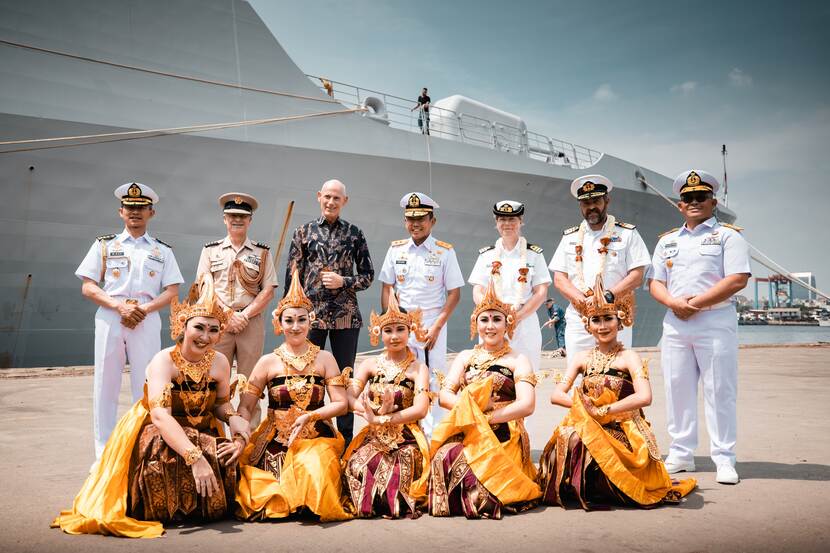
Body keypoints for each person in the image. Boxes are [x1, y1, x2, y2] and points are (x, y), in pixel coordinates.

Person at [53, 276, 248, 538]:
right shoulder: (163, 362)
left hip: (202, 429)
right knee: (161, 458)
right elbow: (159, 416)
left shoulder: (220, 362)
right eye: (199, 327)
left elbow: (221, 403)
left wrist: (234, 418)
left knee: (224, 458)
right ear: (183, 324)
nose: (206, 337)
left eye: (214, 330)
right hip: (160, 430)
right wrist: (195, 457)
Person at [537, 275, 696, 509]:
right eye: (596, 320)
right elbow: (557, 394)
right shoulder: (582, 358)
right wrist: (585, 408)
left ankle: (605, 486)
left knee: (586, 440)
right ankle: (585, 486)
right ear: (588, 325)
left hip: (624, 426)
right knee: (569, 437)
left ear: (620, 322)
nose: (603, 326)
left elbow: (644, 397)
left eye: (608, 319)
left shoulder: (629, 357)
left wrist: (605, 410)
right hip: (589, 421)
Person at [649, 170, 751, 485]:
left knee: (719, 389)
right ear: (680, 205)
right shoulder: (667, 241)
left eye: (700, 197)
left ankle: (724, 458)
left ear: (712, 202)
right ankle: (680, 453)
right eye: (688, 198)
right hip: (676, 322)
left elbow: (737, 278)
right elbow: (655, 282)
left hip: (715, 320)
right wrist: (674, 304)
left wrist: (695, 304)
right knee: (677, 388)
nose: (694, 202)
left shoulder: (729, 236)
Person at [75, 182, 184, 458]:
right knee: (105, 385)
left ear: (151, 213)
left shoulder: (162, 251)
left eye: (141, 208)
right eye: (130, 208)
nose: (135, 212)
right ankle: (103, 455)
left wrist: (143, 310)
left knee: (147, 384)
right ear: (121, 212)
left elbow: (172, 292)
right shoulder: (104, 245)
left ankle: (144, 449)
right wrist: (118, 306)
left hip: (145, 321)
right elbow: (88, 286)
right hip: (111, 318)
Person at [235, 270, 352, 521]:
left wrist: (311, 416)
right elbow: (246, 407)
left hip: (318, 435)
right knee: (265, 489)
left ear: (311, 322)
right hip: (276, 437)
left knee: (314, 466)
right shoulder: (267, 362)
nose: (295, 327)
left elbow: (341, 404)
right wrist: (240, 434)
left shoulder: (325, 358)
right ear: (279, 323)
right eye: (289, 321)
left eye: (301, 320)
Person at [429, 278, 541, 518]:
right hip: (470, 424)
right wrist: (473, 411)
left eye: (496, 319)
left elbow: (527, 404)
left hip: (504, 429)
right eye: (484, 319)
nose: (490, 326)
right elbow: (445, 395)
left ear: (507, 323)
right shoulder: (465, 356)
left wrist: (488, 418)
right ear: (475, 323)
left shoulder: (517, 359)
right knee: (444, 456)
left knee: (479, 473)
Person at [285, 178, 374, 443]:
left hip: (345, 317)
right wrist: (287, 311)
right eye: (327, 197)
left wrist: (343, 281)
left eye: (337, 198)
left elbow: (368, 275)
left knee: (344, 377)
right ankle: (307, 431)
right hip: (310, 317)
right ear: (318, 197)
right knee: (305, 374)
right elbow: (292, 275)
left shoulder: (355, 234)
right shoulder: (303, 232)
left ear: (344, 201)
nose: (331, 202)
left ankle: (345, 439)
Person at [378, 192, 464, 437]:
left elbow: (454, 294)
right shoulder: (396, 250)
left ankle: (433, 433)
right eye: (410, 219)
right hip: (401, 323)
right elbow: (387, 288)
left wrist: (436, 327)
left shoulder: (444, 252)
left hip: (431, 322)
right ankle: (403, 428)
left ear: (432, 221)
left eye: (421, 219)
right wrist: (389, 322)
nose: (415, 224)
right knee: (399, 374)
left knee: (434, 377)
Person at [342, 293, 431, 518]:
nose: (394, 336)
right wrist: (368, 412)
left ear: (410, 331)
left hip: (407, 439)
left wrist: (384, 418)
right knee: (357, 466)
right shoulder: (369, 364)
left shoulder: (418, 368)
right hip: (374, 436)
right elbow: (349, 397)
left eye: (400, 329)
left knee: (395, 470)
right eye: (388, 330)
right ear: (378, 333)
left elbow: (421, 409)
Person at [550, 175, 650, 368]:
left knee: (615, 374)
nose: (591, 207)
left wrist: (609, 295)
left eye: (596, 201)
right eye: (585, 203)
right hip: (579, 319)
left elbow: (637, 274)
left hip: (615, 317)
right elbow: (560, 278)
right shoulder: (569, 237)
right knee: (578, 376)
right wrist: (582, 301)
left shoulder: (627, 234)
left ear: (607, 200)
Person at [197, 192, 277, 428]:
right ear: (224, 219)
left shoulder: (262, 252)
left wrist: (243, 315)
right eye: (232, 216)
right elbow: (203, 287)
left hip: (249, 322)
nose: (237, 220)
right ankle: (215, 436)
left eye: (242, 216)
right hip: (217, 324)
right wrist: (228, 315)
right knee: (212, 380)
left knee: (251, 383)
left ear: (250, 220)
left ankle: (248, 441)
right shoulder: (210, 251)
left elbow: (268, 290)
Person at [469, 200, 551, 371]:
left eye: (512, 219)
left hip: (524, 323)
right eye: (502, 220)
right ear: (496, 223)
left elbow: (541, 292)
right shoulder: (487, 255)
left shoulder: (533, 255)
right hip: (492, 324)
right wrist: (491, 312)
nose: (507, 224)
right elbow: (478, 289)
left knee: (526, 375)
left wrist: (517, 317)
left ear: (521, 221)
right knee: (490, 375)